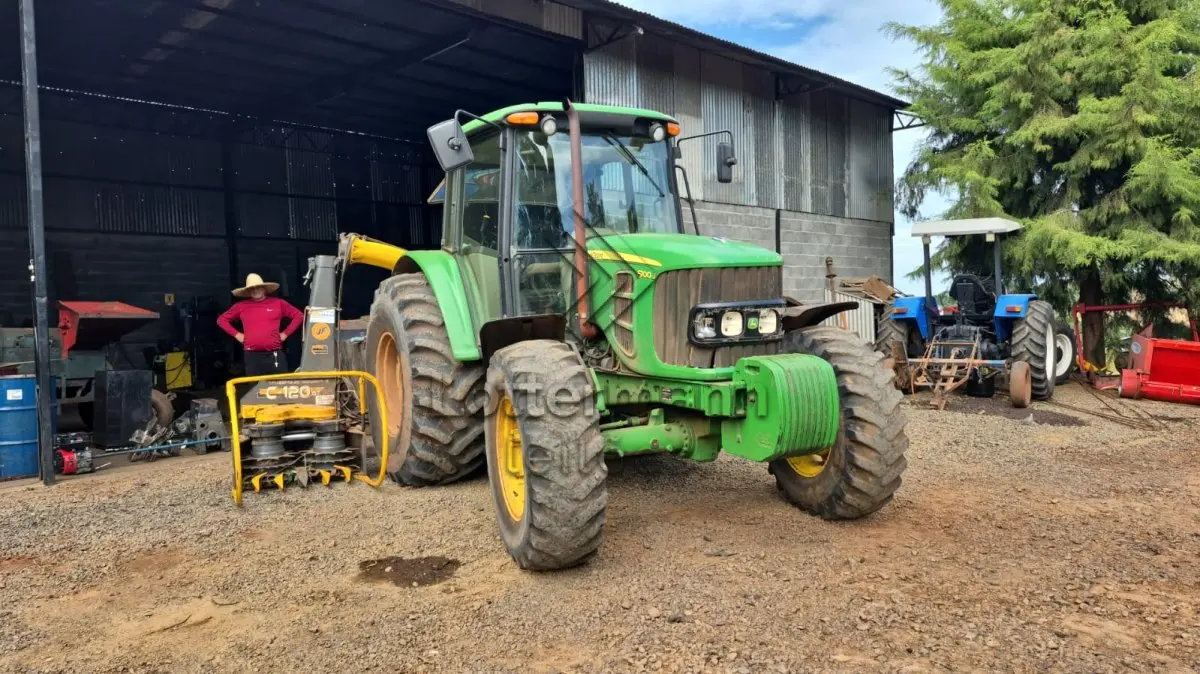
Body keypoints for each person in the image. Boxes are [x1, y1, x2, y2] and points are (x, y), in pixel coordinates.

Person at [217, 273, 304, 376]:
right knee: (255, 388)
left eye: (258, 287)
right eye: (252, 288)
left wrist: (285, 334)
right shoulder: (241, 306)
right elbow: (221, 320)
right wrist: (237, 335)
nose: (255, 290)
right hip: (252, 355)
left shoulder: (278, 303)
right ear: (248, 291)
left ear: (264, 289)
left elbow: (299, 316)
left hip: (275, 353)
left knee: (279, 387)